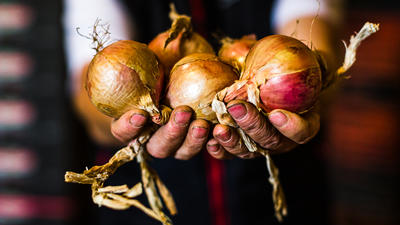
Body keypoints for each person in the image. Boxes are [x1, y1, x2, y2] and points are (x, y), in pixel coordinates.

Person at [63, 0, 344, 224]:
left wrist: (315, 80)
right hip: (151, 208)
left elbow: (310, 28)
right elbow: (89, 83)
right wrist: (129, 123)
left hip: (284, 196)